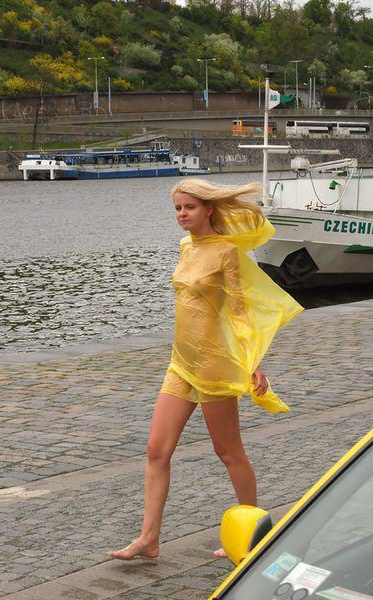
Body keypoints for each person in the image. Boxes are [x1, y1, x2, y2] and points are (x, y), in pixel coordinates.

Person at [108, 179, 303, 561]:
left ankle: (254, 533)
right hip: (181, 363)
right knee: (155, 451)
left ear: (208, 209)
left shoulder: (226, 252)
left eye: (190, 207)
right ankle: (149, 539)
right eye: (178, 208)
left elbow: (238, 311)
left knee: (228, 452)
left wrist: (253, 362)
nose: (182, 214)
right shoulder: (185, 247)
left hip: (215, 366)